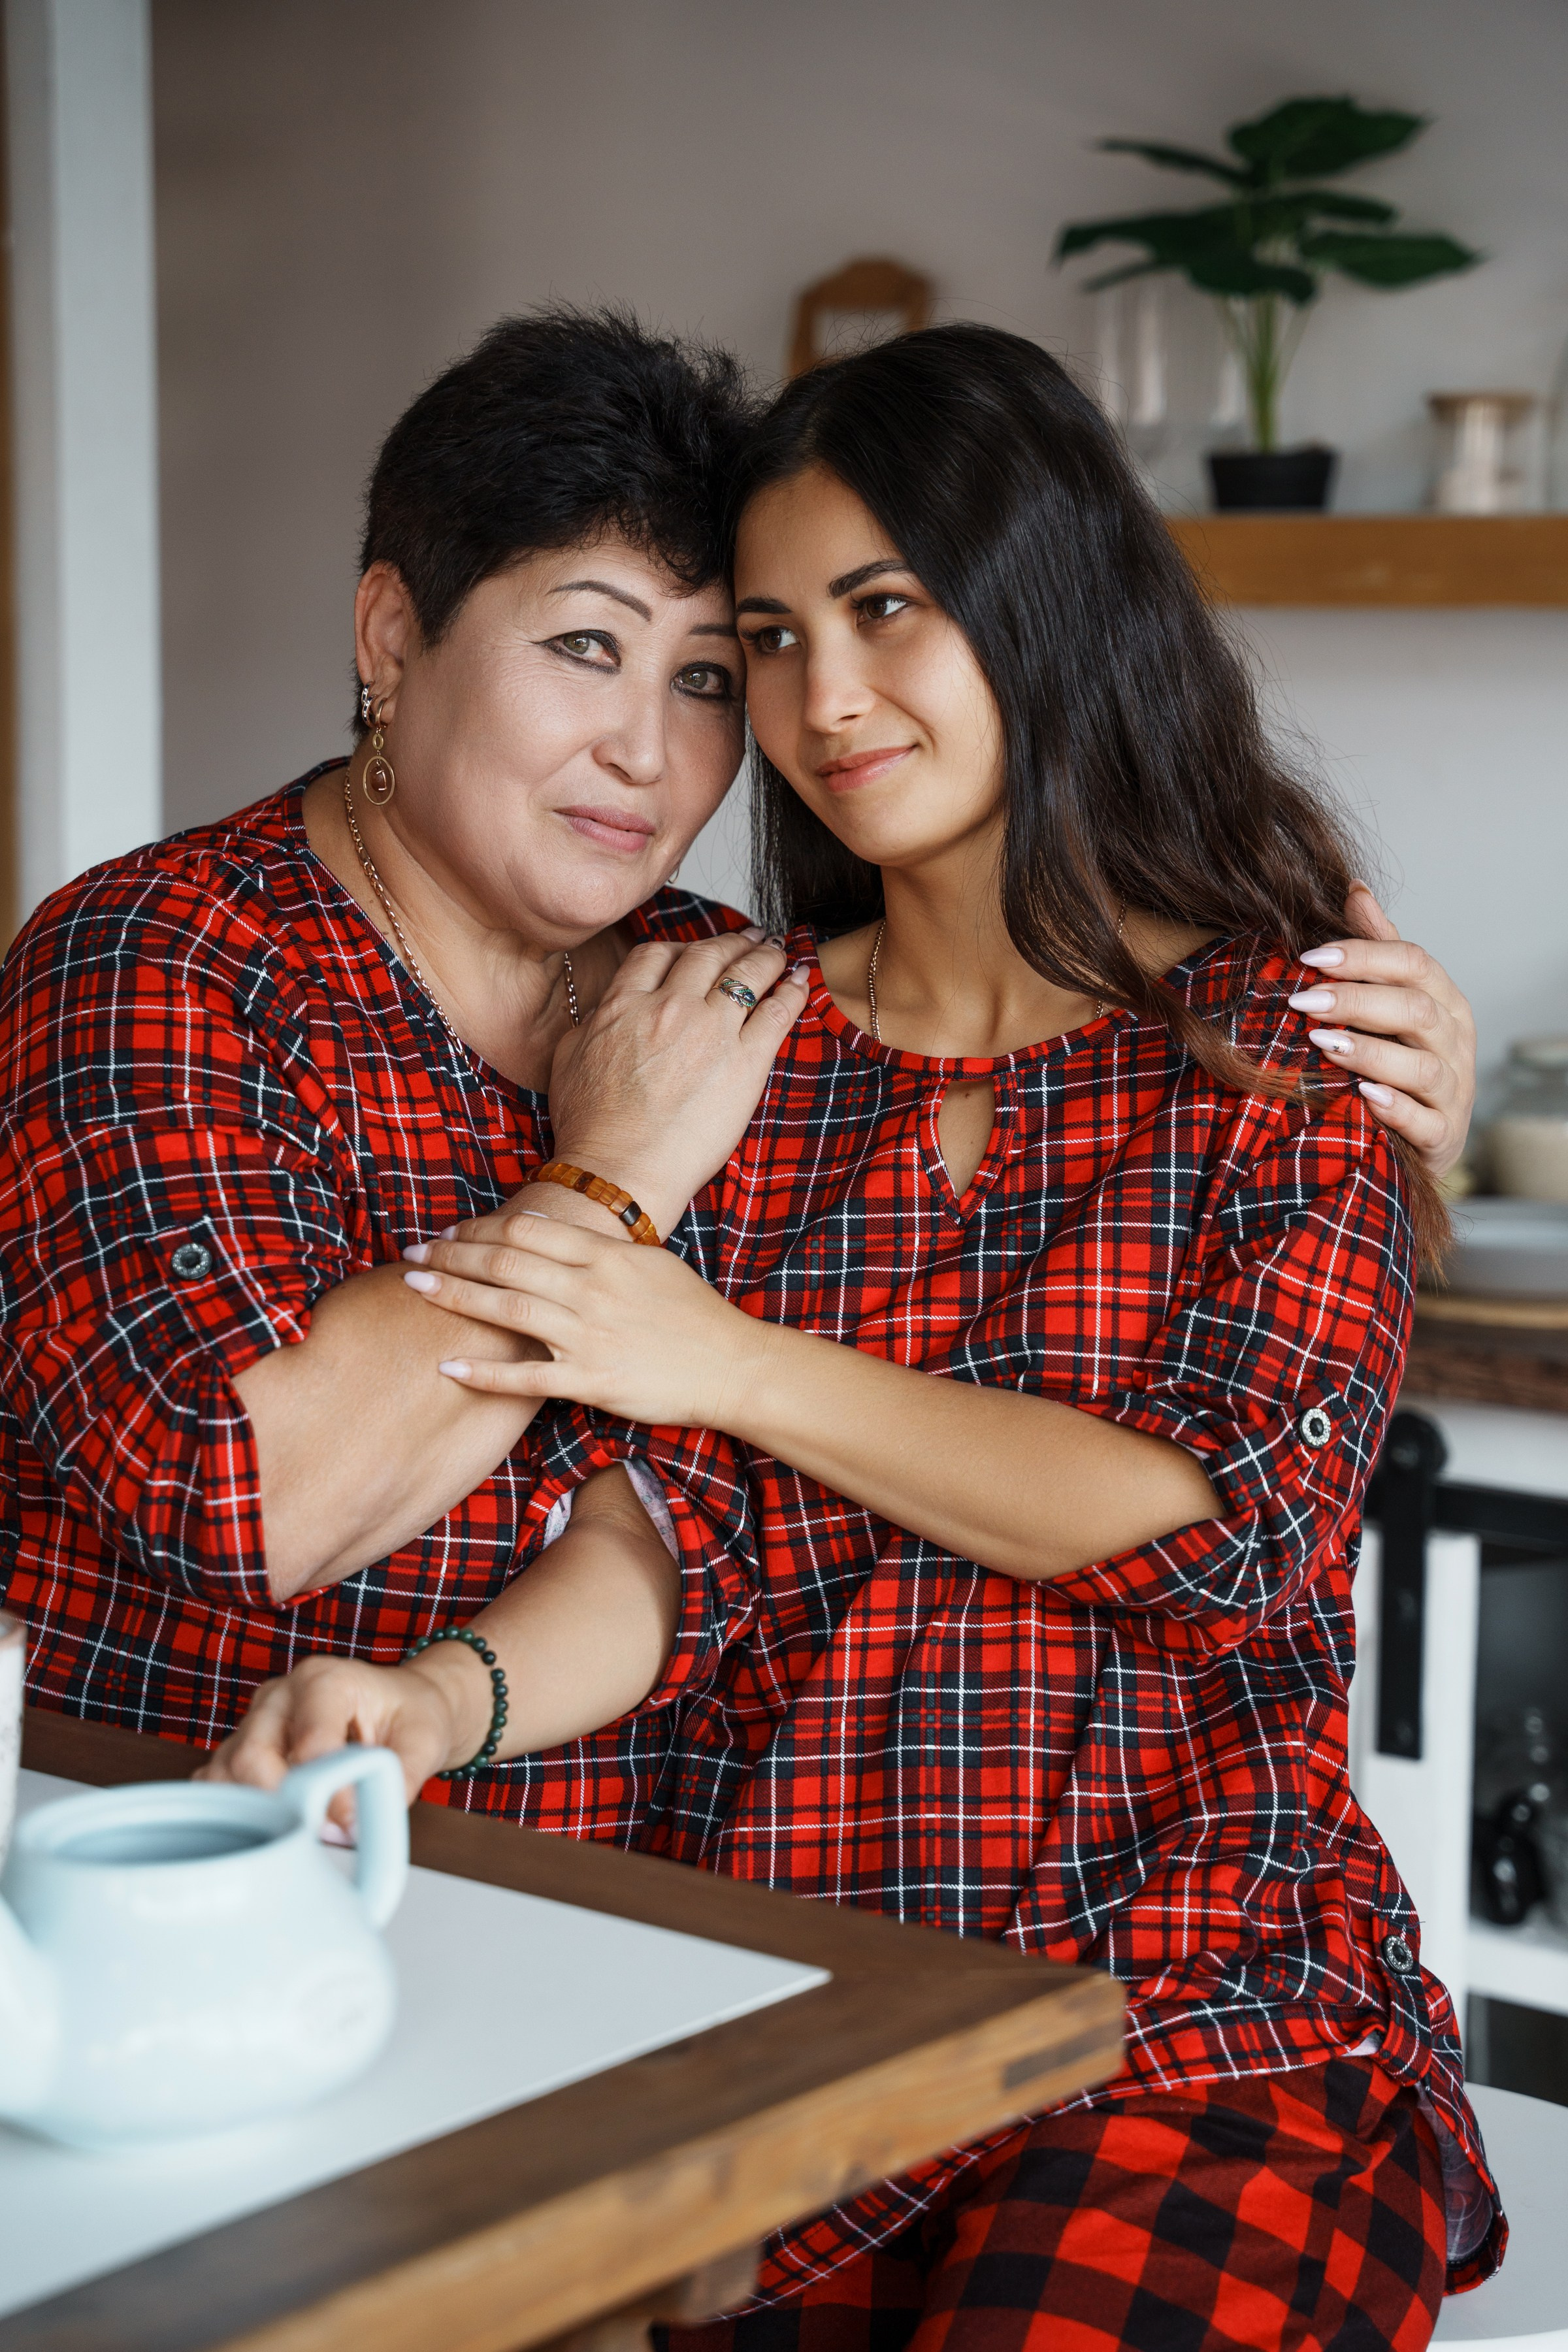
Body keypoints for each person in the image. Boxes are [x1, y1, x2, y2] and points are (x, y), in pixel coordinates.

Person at [210, 326, 1500, 2350]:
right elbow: (666, 1544)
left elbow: (1214, 1527)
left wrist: (716, 1352)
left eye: (885, 612)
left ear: (1042, 601)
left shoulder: (1286, 1047)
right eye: (776, 641)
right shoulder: (726, 1041)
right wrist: (431, 1703)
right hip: (797, 2036)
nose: (821, 701)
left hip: (1191, 2025)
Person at [0, 310, 811, 1775]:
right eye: (585, 644)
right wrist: (610, 1178)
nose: (647, 750)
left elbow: (726, 1524)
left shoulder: (714, 988)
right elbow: (245, 1500)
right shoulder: (162, 958)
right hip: (194, 1875)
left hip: (648, 1916)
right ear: (392, 632)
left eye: (704, 679)